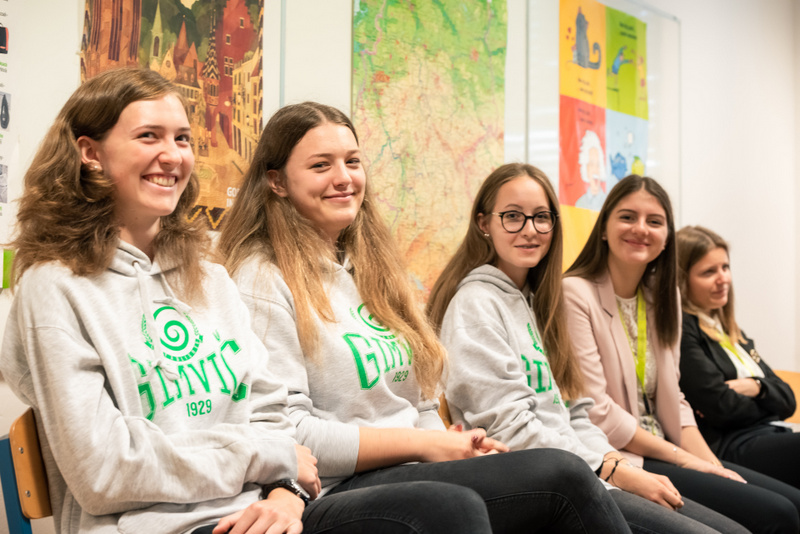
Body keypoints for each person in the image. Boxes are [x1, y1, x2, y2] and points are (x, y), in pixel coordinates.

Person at [218, 101, 631, 533]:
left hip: (412, 469)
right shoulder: (260, 277)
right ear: (277, 181)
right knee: (547, 478)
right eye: (321, 165)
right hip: (334, 487)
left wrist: (451, 446)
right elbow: (290, 434)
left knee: (562, 473)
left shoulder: (374, 270)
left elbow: (420, 405)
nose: (343, 178)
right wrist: (426, 445)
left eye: (352, 162)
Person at [0, 67, 329, 534]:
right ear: (90, 153)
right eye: (149, 136)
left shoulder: (210, 276)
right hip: (149, 526)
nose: (173, 155)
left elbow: (270, 413)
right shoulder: (54, 287)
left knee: (431, 504)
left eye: (182, 139)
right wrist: (263, 456)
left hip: (258, 511)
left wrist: (285, 495)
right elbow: (104, 472)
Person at [426, 163, 745, 534]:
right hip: (546, 485)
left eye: (541, 217)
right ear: (484, 224)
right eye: (512, 216)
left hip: (586, 472)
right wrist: (610, 469)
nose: (530, 230)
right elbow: (512, 430)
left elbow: (576, 410)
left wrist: (613, 463)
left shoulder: (539, 303)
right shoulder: (476, 304)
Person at [562, 174, 800, 534]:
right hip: (620, 456)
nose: (641, 228)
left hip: (670, 447)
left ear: (667, 238)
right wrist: (687, 460)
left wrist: (710, 464)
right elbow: (598, 412)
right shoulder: (575, 293)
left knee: (791, 505)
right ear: (604, 228)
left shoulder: (663, 296)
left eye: (654, 221)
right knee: (777, 514)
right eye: (627, 217)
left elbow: (675, 400)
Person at [677, 225, 800, 488]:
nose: (723, 279)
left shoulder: (731, 331)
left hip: (767, 432)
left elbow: (789, 400)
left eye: (725, 267)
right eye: (709, 272)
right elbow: (721, 407)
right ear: (682, 280)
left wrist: (756, 387)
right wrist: (768, 401)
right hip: (731, 443)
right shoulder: (683, 329)